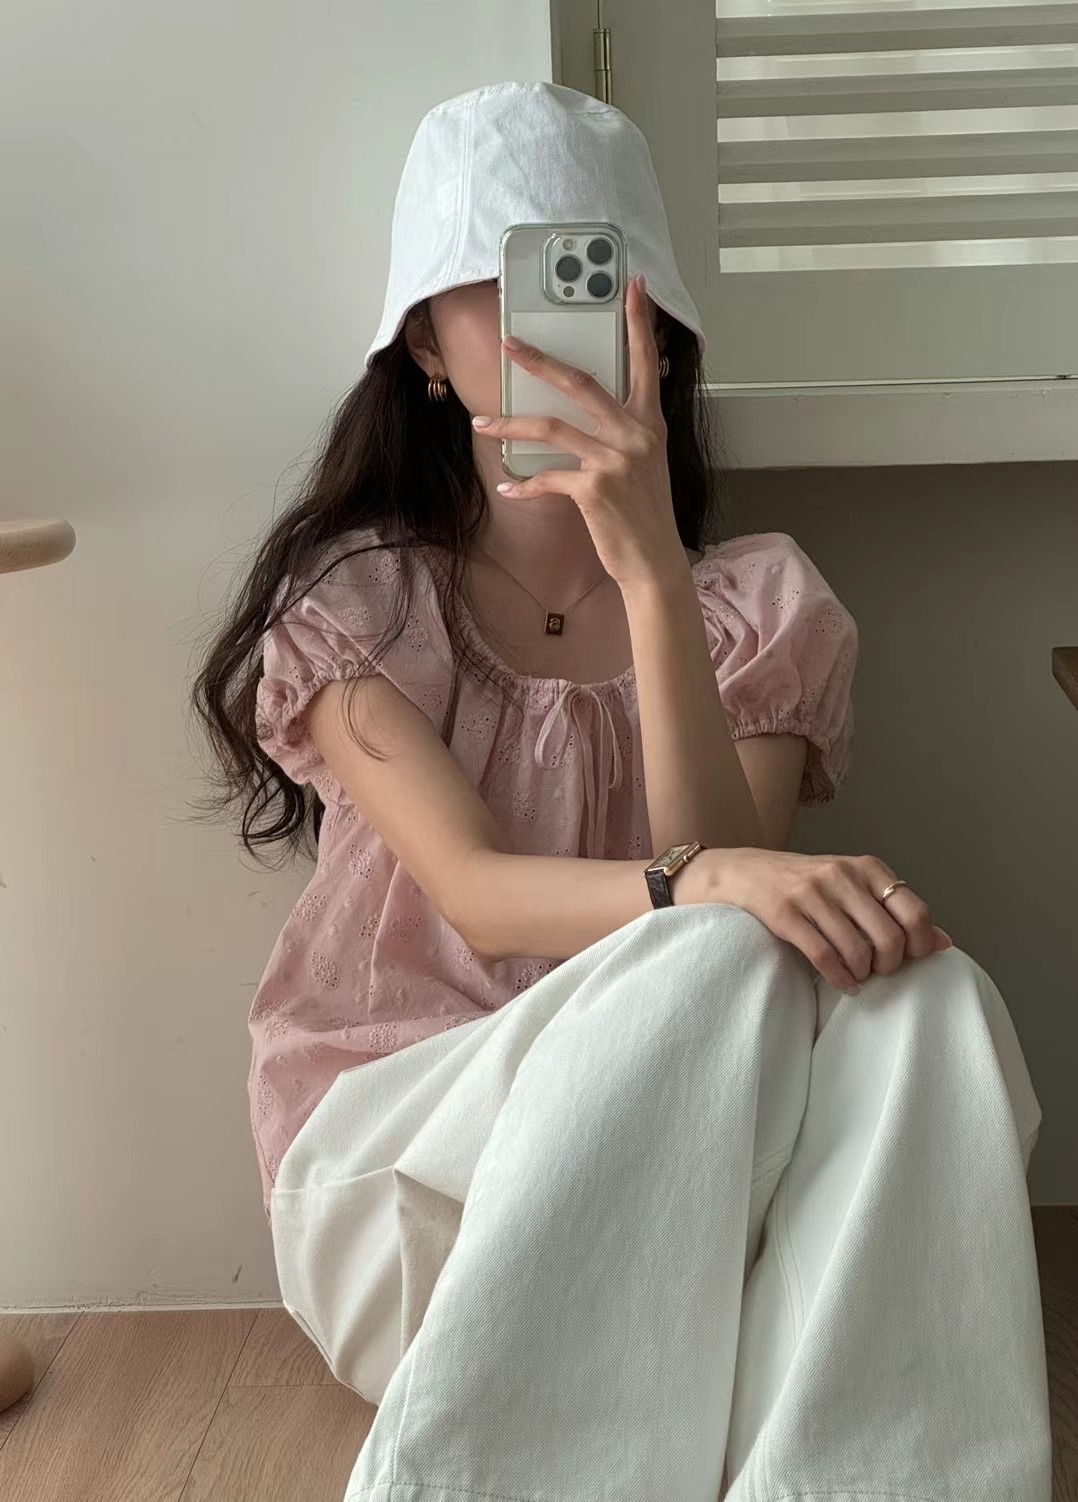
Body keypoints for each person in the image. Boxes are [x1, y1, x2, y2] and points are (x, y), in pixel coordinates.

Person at [191, 81, 1051, 1502]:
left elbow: (728, 906)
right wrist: (703, 881)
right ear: (422, 345)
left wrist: (650, 567)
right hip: (410, 1180)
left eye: (589, 280)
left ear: (659, 326)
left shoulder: (753, 605)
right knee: (712, 942)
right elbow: (488, 895)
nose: (547, 330)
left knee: (932, 1000)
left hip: (682, 1229)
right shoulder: (364, 602)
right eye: (500, 285)